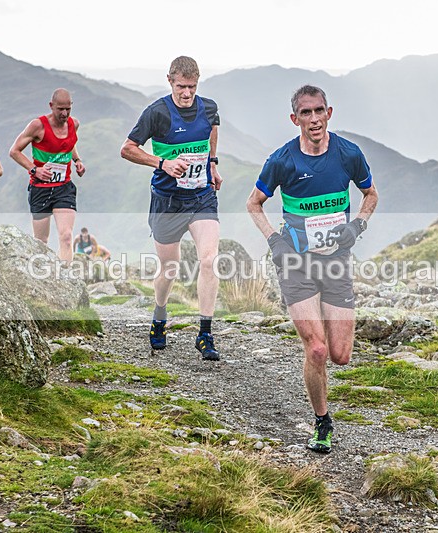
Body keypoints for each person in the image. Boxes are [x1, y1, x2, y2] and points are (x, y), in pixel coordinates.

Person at [246, 85, 378, 454]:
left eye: (319, 111)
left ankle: (321, 318)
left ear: (329, 112)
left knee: (340, 354)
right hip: (296, 263)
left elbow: (371, 194)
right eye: (306, 113)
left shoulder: (349, 154)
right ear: (295, 119)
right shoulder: (282, 161)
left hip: (335, 262)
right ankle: (322, 423)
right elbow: (254, 204)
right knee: (317, 350)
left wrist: (357, 226)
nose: (314, 119)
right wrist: (274, 240)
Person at [120, 56, 223, 361]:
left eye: (192, 87)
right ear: (170, 81)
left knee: (209, 260)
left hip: (202, 196)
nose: (187, 93)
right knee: (170, 268)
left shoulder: (209, 108)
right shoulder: (157, 113)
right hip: (167, 201)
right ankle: (159, 315)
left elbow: (212, 129)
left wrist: (213, 163)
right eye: (181, 87)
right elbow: (127, 149)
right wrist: (161, 163)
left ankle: (205, 333)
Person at [9, 88, 85, 263]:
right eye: (60, 109)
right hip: (40, 189)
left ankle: (66, 281)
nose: (64, 113)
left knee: (66, 236)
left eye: (68, 109)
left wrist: (77, 160)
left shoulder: (75, 124)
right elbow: (14, 151)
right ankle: (43, 279)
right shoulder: (38, 126)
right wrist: (35, 169)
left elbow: (69, 144)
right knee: (41, 242)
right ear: (51, 106)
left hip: (63, 187)